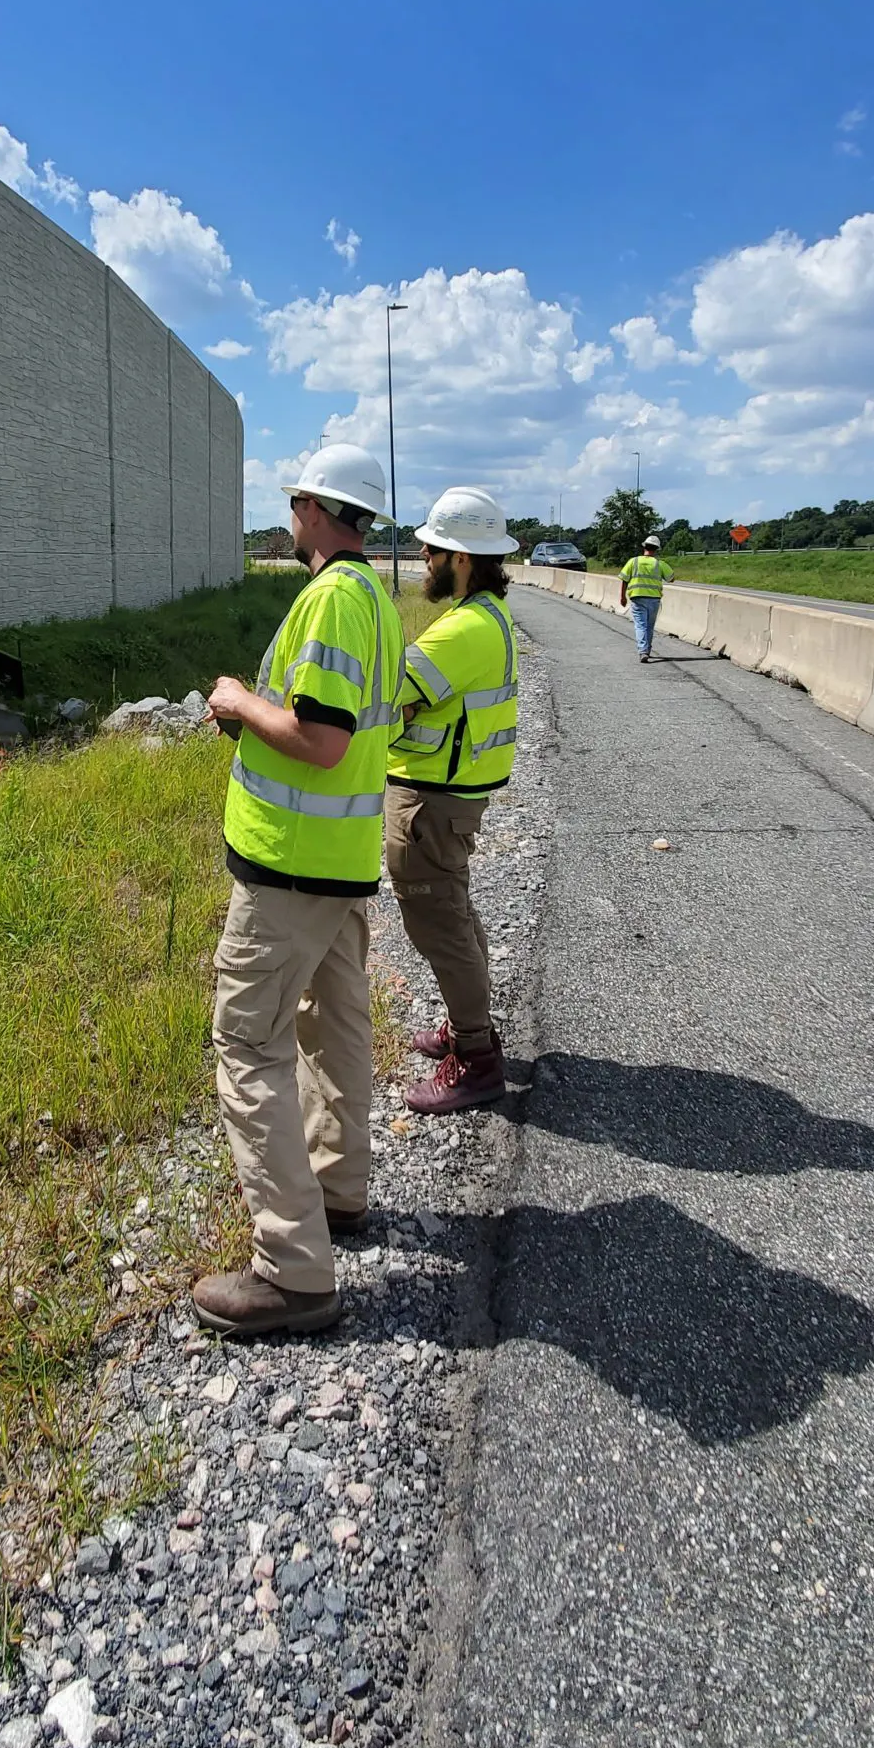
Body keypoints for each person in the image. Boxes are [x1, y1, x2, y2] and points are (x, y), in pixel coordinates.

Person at [193, 445, 406, 1339]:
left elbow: (318, 740)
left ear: (319, 509)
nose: (288, 516)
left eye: (292, 502)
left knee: (247, 1043)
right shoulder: (379, 603)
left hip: (289, 868)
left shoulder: (327, 600)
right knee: (335, 1027)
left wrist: (238, 703)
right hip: (340, 864)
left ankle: (293, 1269)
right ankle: (339, 1193)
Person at [386, 487, 520, 1114]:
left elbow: (388, 700)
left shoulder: (462, 630)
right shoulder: (490, 615)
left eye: (432, 548)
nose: (421, 555)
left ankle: (475, 1056)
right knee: (455, 914)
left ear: (462, 558)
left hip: (432, 802)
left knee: (439, 922)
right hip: (452, 795)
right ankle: (469, 1028)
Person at [619, 533, 676, 663]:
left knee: (640, 625)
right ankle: (647, 650)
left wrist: (622, 597)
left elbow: (624, 579)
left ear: (644, 546)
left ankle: (643, 651)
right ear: (656, 549)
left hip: (637, 597)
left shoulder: (633, 561)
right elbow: (671, 578)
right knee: (649, 626)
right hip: (654, 599)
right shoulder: (659, 564)